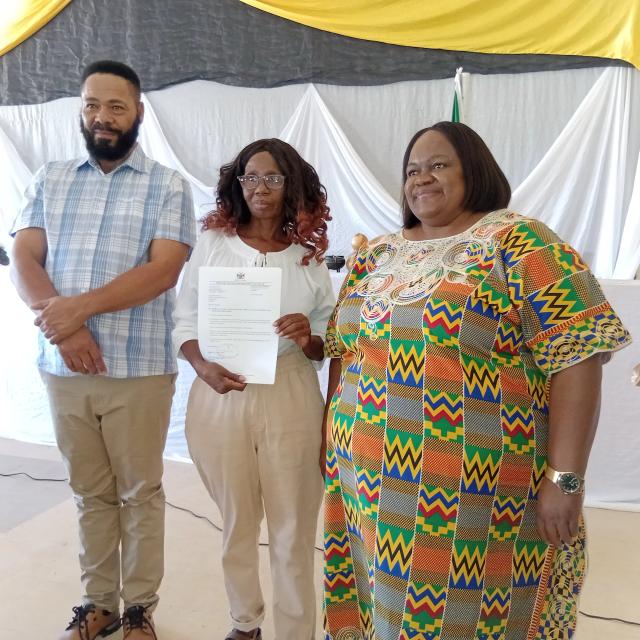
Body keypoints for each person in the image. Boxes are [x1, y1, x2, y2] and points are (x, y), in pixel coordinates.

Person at [322, 121, 631, 640]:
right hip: (365, 484)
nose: (422, 178)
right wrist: (329, 446)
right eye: (412, 170)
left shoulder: (518, 242)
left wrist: (565, 478)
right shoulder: (376, 254)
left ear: (475, 170)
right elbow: (344, 351)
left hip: (474, 492)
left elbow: (578, 355)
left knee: (462, 617)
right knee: (379, 604)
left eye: (438, 165)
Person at [10, 60, 196, 640]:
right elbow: (24, 259)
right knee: (90, 493)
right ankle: (99, 602)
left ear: (138, 112)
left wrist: (81, 310)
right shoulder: (49, 178)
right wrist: (65, 330)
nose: (103, 117)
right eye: (92, 105)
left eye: (116, 106)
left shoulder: (167, 185)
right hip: (64, 369)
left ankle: (140, 608)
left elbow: (164, 270)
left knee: (140, 492)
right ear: (81, 110)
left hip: (138, 369)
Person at [173, 138, 335, 640]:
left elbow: (328, 341)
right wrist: (201, 366)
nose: (261, 189)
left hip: (290, 392)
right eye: (251, 178)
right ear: (237, 185)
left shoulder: (308, 259)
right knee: (237, 523)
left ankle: (294, 632)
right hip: (221, 392)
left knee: (292, 527)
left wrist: (308, 336)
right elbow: (184, 321)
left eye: (273, 178)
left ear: (293, 185)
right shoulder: (214, 245)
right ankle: (245, 623)